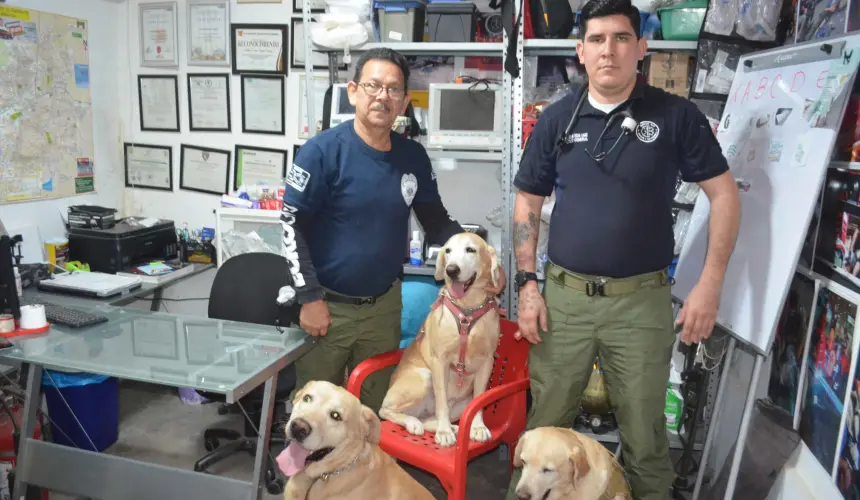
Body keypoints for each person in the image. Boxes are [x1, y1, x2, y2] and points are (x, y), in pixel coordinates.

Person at [505, 0, 741, 498]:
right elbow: (527, 201)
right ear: (580, 51)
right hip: (563, 302)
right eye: (596, 40)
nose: (607, 50)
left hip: (641, 305)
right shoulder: (558, 117)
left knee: (646, 437)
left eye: (619, 38)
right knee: (543, 430)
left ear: (641, 47)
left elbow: (724, 195)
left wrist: (709, 285)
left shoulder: (676, 116)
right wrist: (528, 285)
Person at [279, 47, 506, 413]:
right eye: (373, 86)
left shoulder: (412, 157)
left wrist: (482, 261)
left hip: (383, 309)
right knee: (314, 414)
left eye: (394, 90)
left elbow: (437, 221)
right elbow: (291, 225)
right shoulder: (321, 152)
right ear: (353, 91)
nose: (382, 96)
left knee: (374, 412)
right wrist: (309, 298)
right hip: (328, 307)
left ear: (404, 102)